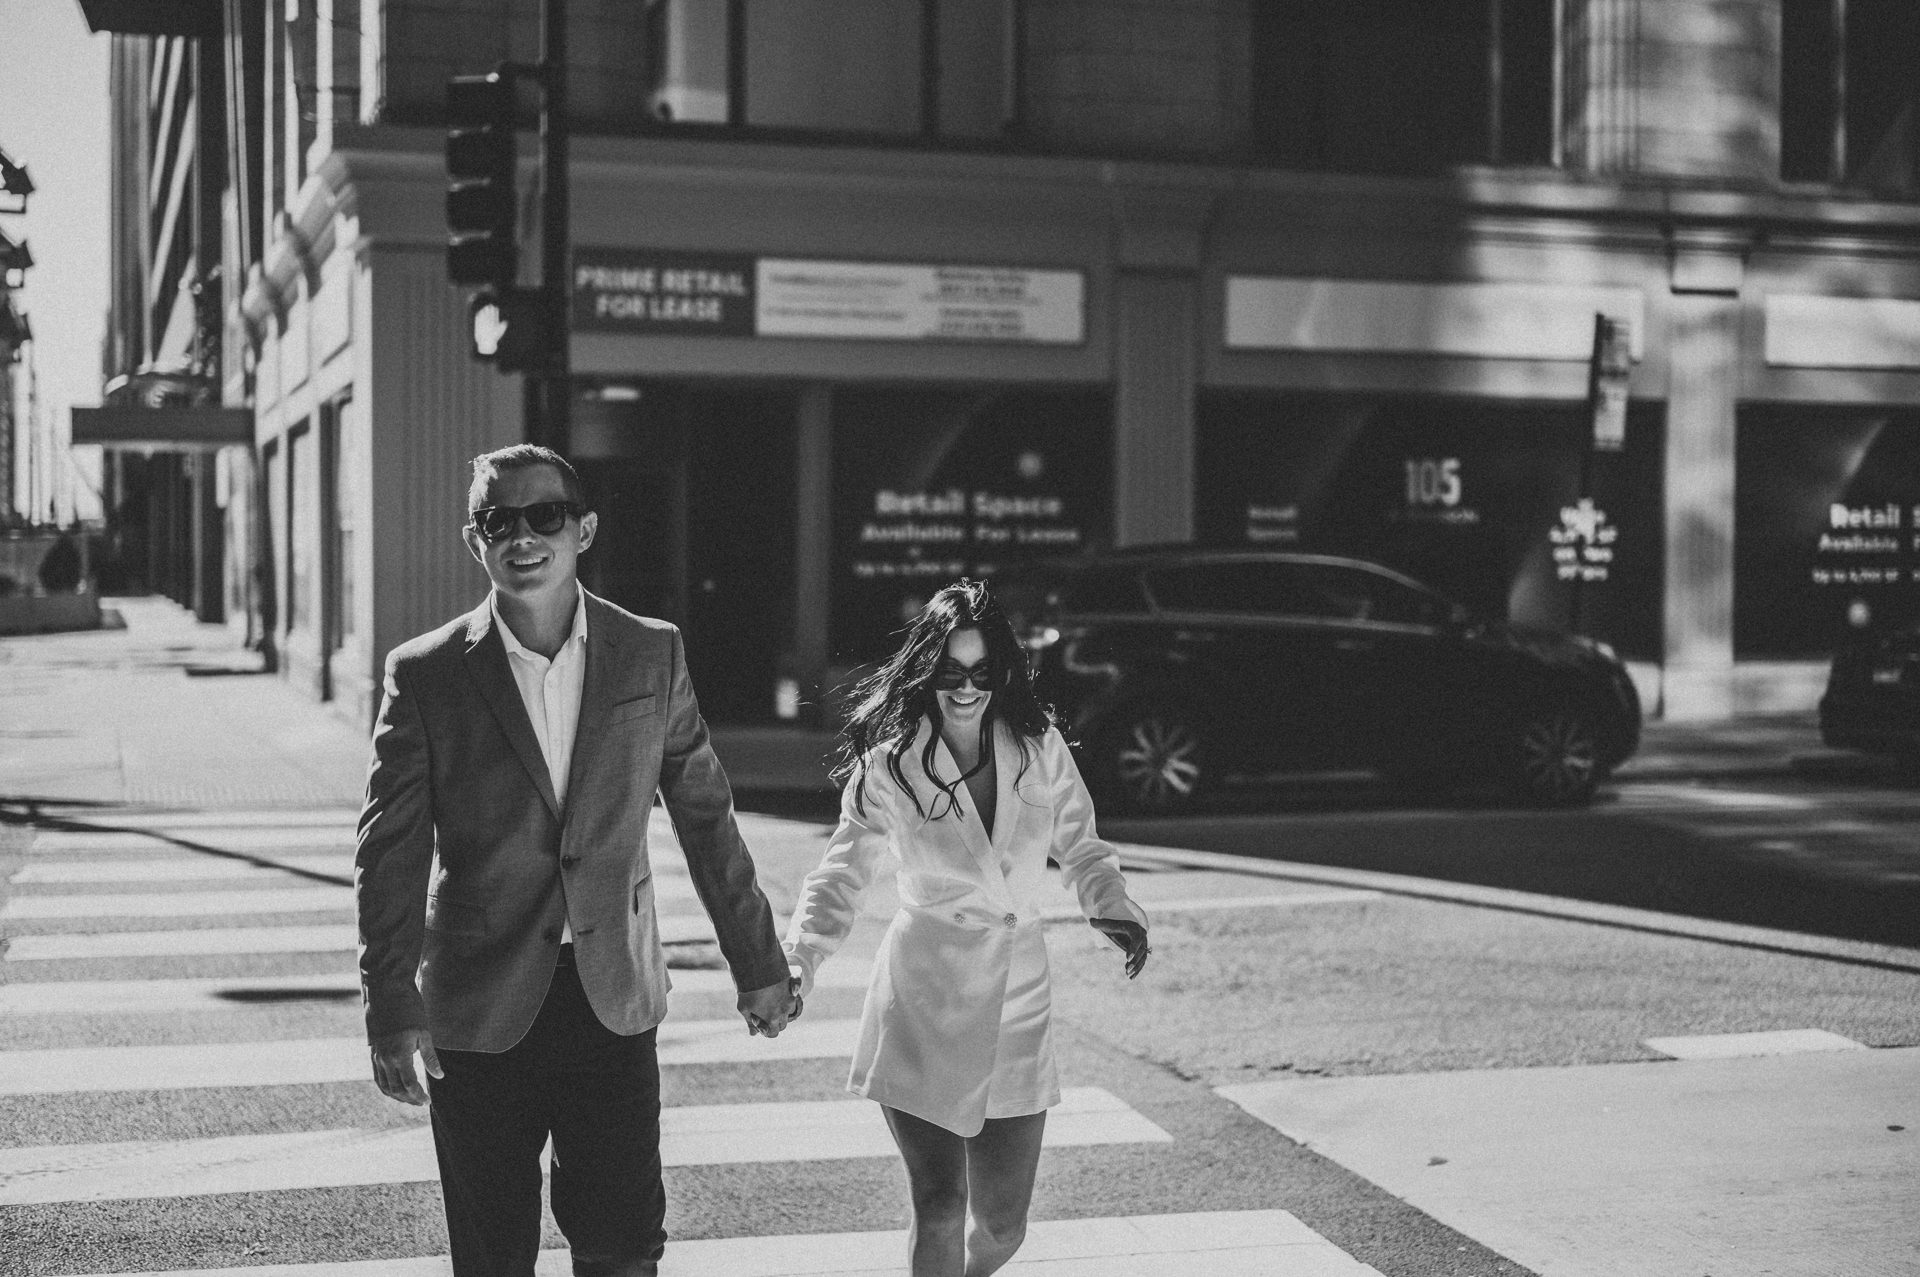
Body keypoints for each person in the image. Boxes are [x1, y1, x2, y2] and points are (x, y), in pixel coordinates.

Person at [355, 444, 796, 1277]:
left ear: (584, 528)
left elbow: (705, 815)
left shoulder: (649, 652)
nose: (523, 537)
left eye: (544, 516)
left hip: (612, 1000)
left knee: (625, 1248)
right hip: (478, 1013)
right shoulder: (425, 674)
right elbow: (390, 849)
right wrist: (390, 999)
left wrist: (759, 961)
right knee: (493, 1258)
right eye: (499, 521)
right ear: (472, 540)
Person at [784, 580, 1151, 1277]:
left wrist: (1112, 904)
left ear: (1002, 673)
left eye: (982, 673)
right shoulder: (889, 762)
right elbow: (841, 870)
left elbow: (1083, 844)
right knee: (941, 1204)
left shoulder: (1037, 748)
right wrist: (800, 957)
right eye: (951, 673)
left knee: (1003, 1227)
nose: (966, 689)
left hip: (1018, 1000)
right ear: (928, 671)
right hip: (923, 999)